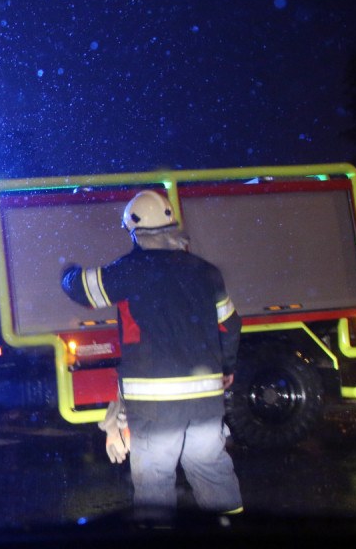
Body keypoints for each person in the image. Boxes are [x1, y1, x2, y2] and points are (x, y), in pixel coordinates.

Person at [61, 190, 243, 521]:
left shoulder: (129, 270)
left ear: (134, 231)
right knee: (213, 473)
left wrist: (68, 271)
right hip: (205, 403)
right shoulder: (206, 272)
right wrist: (227, 365)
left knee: (155, 483)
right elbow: (230, 324)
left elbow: (82, 290)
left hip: (156, 407)